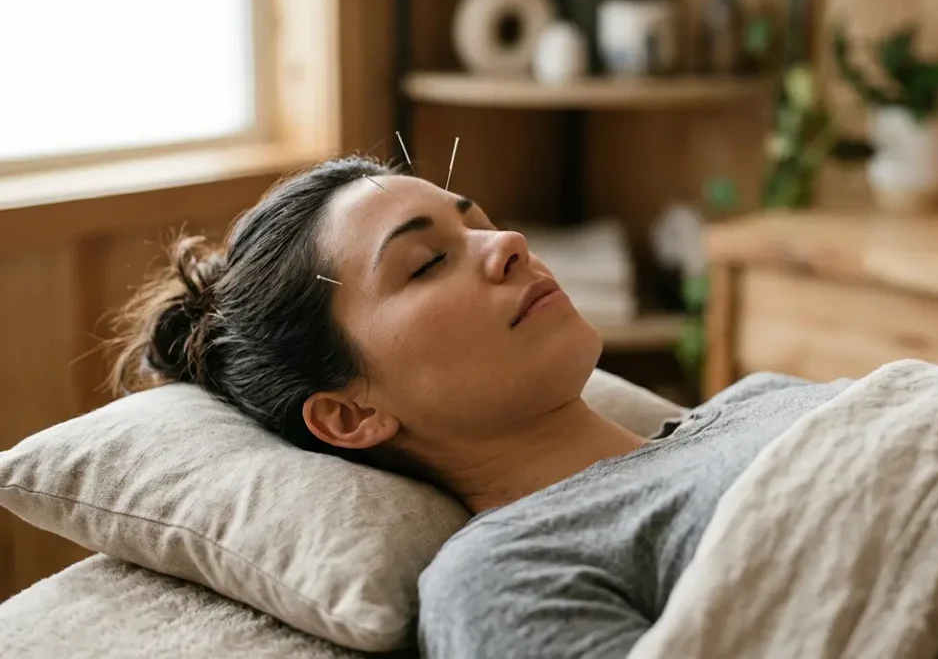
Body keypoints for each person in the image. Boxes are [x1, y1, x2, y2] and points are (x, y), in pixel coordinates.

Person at [109, 156, 853, 658]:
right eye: (429, 262)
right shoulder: (508, 573)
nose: (509, 243)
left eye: (478, 222)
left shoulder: (759, 399)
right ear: (350, 415)